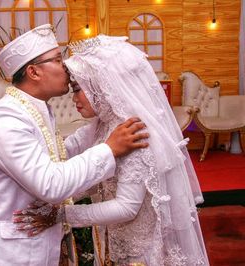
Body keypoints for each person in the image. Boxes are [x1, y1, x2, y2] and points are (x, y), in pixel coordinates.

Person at [13, 35, 209, 265]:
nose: (73, 98)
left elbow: (127, 207)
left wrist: (62, 214)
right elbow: (80, 163)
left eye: (78, 89)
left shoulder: (132, 131)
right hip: (111, 241)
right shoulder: (103, 125)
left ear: (101, 87)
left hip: (139, 253)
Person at [0, 25, 149, 266]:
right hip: (11, 253)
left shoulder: (35, 109)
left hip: (36, 242)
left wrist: (103, 127)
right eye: (57, 59)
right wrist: (109, 149)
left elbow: (58, 153)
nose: (66, 66)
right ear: (33, 72)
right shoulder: (6, 119)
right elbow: (50, 184)